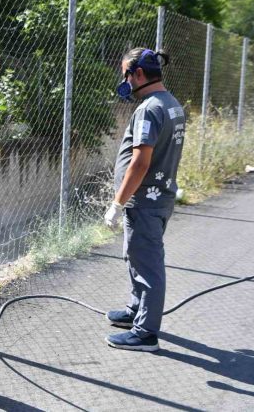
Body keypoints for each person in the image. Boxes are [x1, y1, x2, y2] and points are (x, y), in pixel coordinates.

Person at [104, 48, 185, 352]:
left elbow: (140, 162)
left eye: (124, 74)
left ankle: (145, 333)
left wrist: (117, 203)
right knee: (137, 256)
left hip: (145, 201)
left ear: (137, 74)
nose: (122, 80)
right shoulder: (172, 103)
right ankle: (136, 310)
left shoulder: (149, 108)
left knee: (148, 266)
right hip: (159, 197)